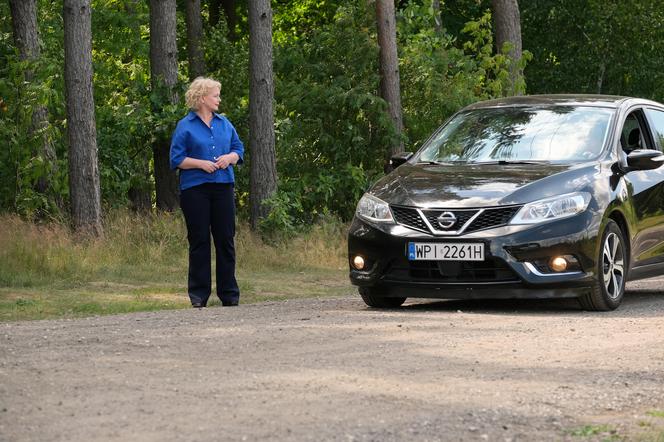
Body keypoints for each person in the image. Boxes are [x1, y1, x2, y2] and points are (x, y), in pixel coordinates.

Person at [170, 77, 244, 308]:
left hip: (223, 187)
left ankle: (229, 294)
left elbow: (238, 149)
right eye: (215, 95)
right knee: (200, 241)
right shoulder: (185, 126)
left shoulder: (225, 123)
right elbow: (176, 159)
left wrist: (230, 158)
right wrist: (201, 164)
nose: (219, 99)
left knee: (225, 240)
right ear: (202, 98)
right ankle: (199, 295)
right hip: (195, 190)